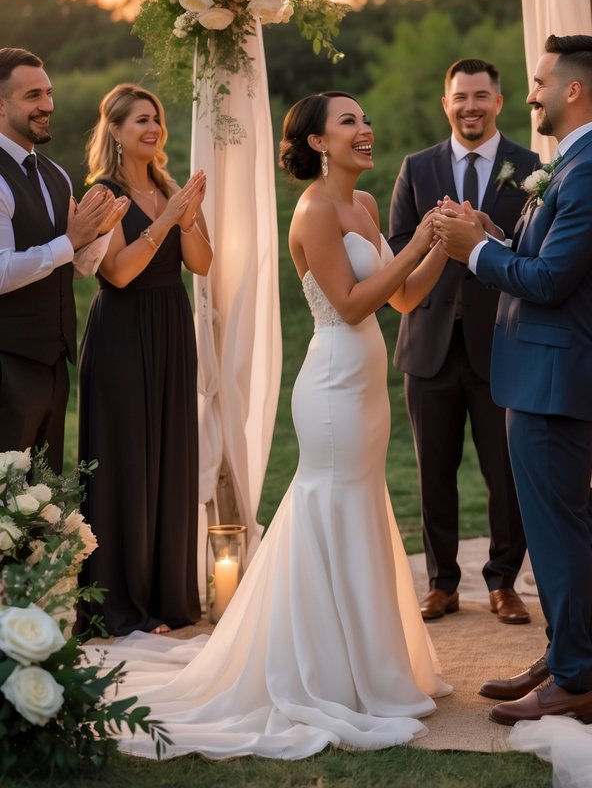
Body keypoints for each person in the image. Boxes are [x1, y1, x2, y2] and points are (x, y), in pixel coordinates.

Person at [97, 90, 451, 760]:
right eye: (350, 122)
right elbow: (349, 306)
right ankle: (324, 669)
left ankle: (371, 664)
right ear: (317, 142)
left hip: (366, 385)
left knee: (361, 508)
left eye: (366, 119)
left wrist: (438, 244)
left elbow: (404, 297)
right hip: (330, 388)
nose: (365, 129)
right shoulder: (315, 210)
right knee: (330, 508)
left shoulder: (368, 206)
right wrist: (414, 250)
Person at [436, 34, 592, 727]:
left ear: (573, 90)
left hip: (554, 376)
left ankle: (574, 679)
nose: (530, 95)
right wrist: (493, 230)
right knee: (571, 526)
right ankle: (576, 656)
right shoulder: (575, 162)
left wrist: (475, 252)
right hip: (545, 371)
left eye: (540, 82)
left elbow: (550, 282)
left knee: (557, 531)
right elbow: (544, 254)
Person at [388, 58, 538, 624]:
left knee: (506, 471)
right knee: (434, 471)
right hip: (428, 342)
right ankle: (441, 582)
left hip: (501, 340)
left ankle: (503, 582)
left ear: (498, 102)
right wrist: (439, 235)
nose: (470, 106)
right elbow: (398, 243)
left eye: (480, 96)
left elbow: (533, 246)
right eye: (460, 97)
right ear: (445, 103)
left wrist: (485, 236)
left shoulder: (529, 166)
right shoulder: (417, 166)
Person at [77, 84, 213, 636]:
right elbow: (119, 272)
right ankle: (123, 604)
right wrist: (166, 220)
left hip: (171, 329)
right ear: (114, 130)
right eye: (139, 121)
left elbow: (202, 263)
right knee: (126, 462)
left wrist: (186, 215)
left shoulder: (168, 185)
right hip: (122, 334)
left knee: (169, 456)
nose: (153, 128)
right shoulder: (102, 194)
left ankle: (167, 597)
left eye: (156, 118)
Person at [0, 47, 126, 474]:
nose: (48, 105)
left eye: (49, 94)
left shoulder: (56, 174)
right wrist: (71, 240)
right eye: (33, 96)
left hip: (54, 366)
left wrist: (98, 234)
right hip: (7, 364)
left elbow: (74, 267)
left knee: (44, 504)